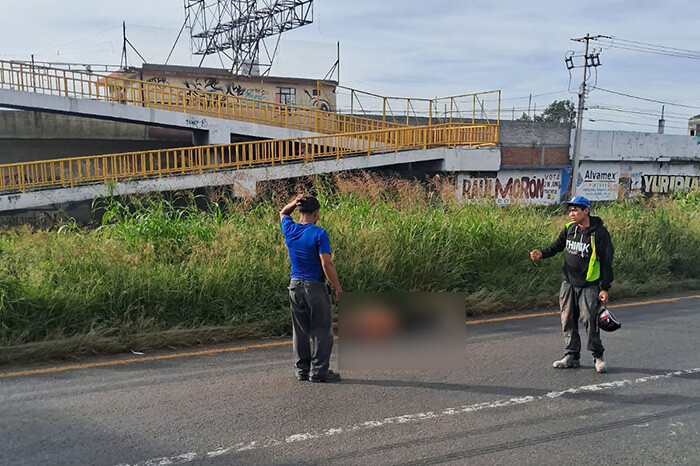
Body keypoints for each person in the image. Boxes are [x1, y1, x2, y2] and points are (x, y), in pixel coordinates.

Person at [529, 196, 614, 373]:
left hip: (589, 285)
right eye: (569, 210)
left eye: (575, 210)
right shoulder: (569, 229)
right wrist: (541, 254)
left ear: (586, 211)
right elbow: (557, 247)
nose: (571, 214)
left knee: (589, 320)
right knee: (567, 320)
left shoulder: (599, 233)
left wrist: (605, 287)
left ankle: (597, 356)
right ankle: (571, 355)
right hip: (568, 283)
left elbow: (607, 261)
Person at [280, 194, 343, 383]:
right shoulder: (319, 233)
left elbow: (283, 212)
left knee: (300, 330)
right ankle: (319, 372)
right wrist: (338, 288)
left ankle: (302, 371)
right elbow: (327, 264)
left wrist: (293, 202)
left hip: (294, 286)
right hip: (314, 287)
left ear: (300, 212)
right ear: (316, 214)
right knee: (321, 329)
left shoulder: (289, 228)